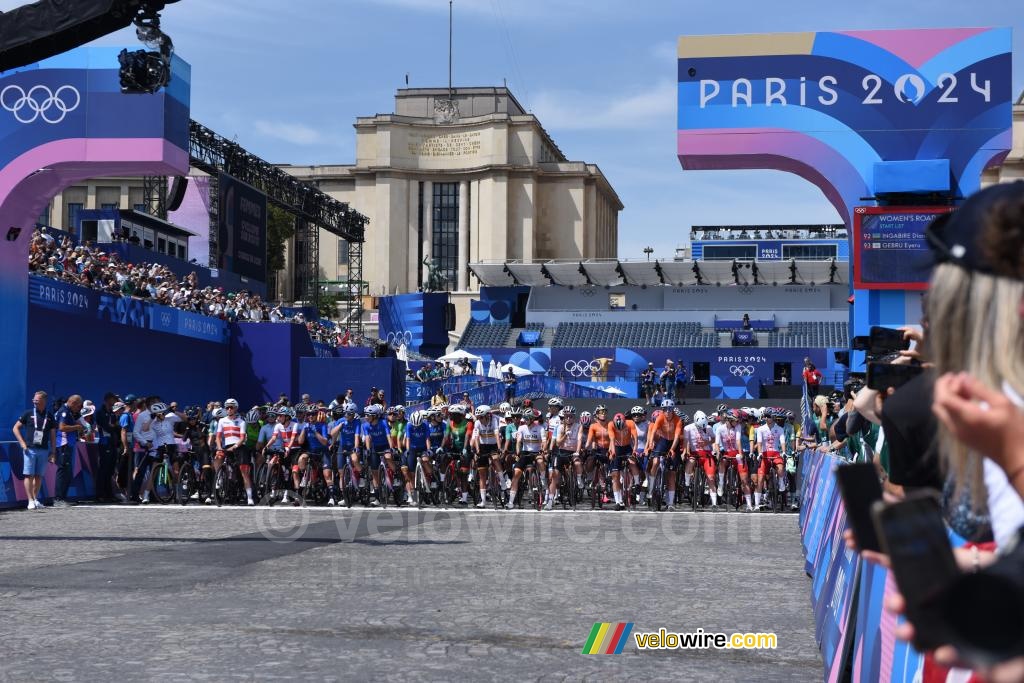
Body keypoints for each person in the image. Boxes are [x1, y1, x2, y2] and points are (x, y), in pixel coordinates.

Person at [12, 391, 56, 510]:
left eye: (37, 399)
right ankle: (30, 500)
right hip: (30, 449)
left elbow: (52, 435)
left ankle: (35, 499)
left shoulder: (50, 416)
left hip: (43, 450)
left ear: (43, 401)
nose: (34, 401)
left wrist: (53, 452)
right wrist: (22, 443)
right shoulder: (28, 413)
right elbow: (15, 428)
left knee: (39, 476)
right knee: (28, 475)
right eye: (33, 399)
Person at [53, 394, 85, 507]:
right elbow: (62, 427)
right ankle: (58, 498)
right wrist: (77, 427)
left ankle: (62, 497)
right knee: (63, 472)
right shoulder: (64, 411)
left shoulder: (69, 411)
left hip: (68, 445)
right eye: (78, 406)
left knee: (67, 472)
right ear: (73, 403)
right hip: (63, 445)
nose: (79, 409)